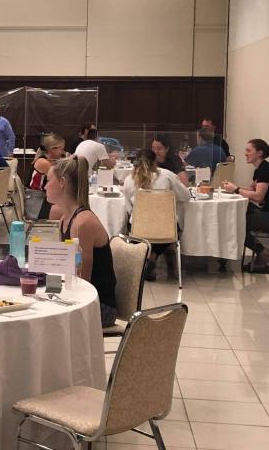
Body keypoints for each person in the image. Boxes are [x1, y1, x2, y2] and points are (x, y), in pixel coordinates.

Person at [45, 156, 117, 327]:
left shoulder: (82, 223)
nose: (45, 186)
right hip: (83, 296)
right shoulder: (65, 218)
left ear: (62, 182)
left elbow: (83, 280)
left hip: (99, 306)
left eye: (48, 180)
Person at [220, 139, 269, 272]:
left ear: (259, 153)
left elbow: (258, 197)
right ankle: (260, 252)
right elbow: (252, 191)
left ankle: (263, 253)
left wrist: (236, 189)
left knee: (236, 224)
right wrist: (234, 188)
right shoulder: (260, 169)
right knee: (238, 218)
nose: (245, 153)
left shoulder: (265, 170)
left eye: (248, 150)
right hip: (268, 211)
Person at [123, 149, 191, 281]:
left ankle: (144, 257)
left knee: (134, 223)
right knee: (168, 227)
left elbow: (129, 209)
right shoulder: (167, 176)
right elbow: (186, 196)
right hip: (165, 230)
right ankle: (152, 256)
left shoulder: (129, 180)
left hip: (138, 230)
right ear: (155, 162)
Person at [29, 133, 67, 220]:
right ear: (52, 149)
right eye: (61, 149)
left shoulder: (50, 161)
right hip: (36, 202)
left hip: (43, 199)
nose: (63, 152)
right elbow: (60, 180)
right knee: (69, 211)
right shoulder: (43, 163)